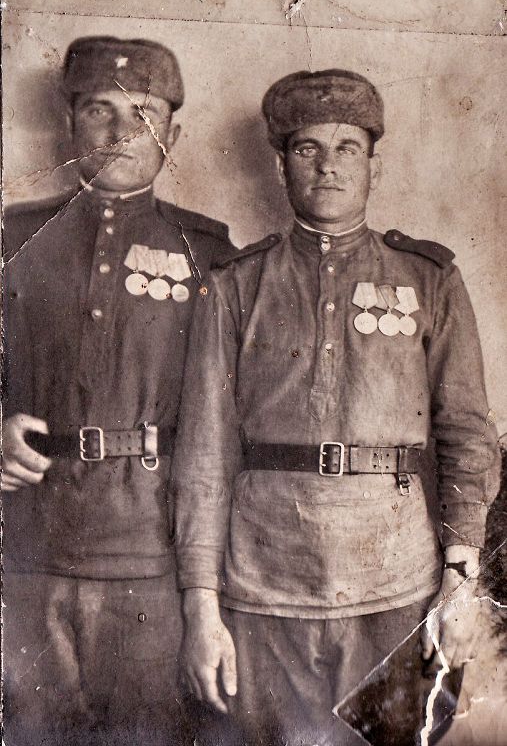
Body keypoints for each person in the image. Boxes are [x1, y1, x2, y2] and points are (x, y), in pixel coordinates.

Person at [172, 69, 500, 745]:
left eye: (347, 147)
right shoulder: (236, 284)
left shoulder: (427, 278)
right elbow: (203, 454)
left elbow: (467, 435)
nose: (328, 166)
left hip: (398, 583)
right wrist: (202, 608)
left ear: (374, 167)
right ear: (281, 166)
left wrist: (459, 580)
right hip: (264, 584)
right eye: (307, 149)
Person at [2, 35, 235, 746]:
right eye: (99, 109)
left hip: (151, 553)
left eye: (144, 112)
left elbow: (229, 417)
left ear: (173, 135)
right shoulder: (14, 238)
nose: (120, 130)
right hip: (28, 546)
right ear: (70, 123)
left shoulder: (208, 252)